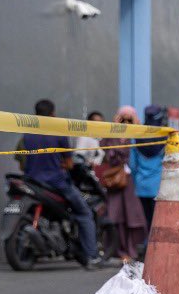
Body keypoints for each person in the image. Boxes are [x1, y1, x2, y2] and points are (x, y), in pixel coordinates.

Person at [21, 99, 104, 269]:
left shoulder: (27, 133)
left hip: (32, 181)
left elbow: (22, 160)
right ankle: (92, 256)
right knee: (84, 213)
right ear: (52, 114)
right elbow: (69, 163)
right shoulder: (57, 131)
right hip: (57, 183)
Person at [97, 106, 148, 262]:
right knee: (116, 216)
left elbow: (146, 146)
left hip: (130, 182)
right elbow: (103, 146)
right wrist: (115, 126)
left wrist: (136, 126)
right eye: (123, 119)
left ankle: (134, 249)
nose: (126, 122)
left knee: (133, 216)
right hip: (115, 182)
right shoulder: (112, 135)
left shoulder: (138, 135)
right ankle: (117, 250)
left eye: (129, 119)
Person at [131, 104, 167, 235]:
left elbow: (133, 166)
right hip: (158, 187)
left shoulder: (138, 138)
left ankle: (147, 247)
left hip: (141, 186)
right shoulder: (164, 138)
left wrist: (137, 182)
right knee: (158, 220)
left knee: (147, 219)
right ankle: (155, 249)